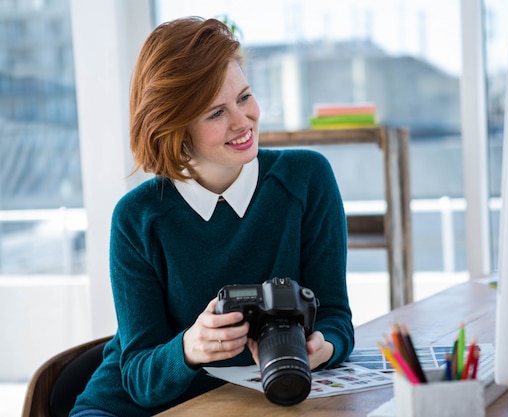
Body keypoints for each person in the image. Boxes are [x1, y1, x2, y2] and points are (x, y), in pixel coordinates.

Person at [70, 16, 354, 417]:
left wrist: (324, 345)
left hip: (251, 401)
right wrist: (190, 348)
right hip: (133, 408)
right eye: (215, 113)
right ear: (176, 128)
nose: (243, 122)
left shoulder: (306, 180)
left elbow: (335, 315)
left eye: (244, 97)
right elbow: (136, 376)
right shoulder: (138, 218)